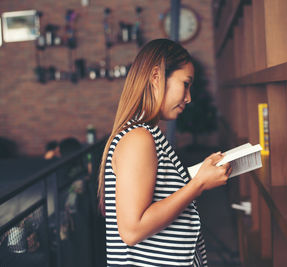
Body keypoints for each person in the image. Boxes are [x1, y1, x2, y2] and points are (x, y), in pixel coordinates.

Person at [97, 39, 232, 267]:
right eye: (185, 84)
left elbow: (158, 194)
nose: (188, 98)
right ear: (157, 77)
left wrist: (199, 174)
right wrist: (197, 184)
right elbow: (132, 230)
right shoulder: (138, 138)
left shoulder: (148, 133)